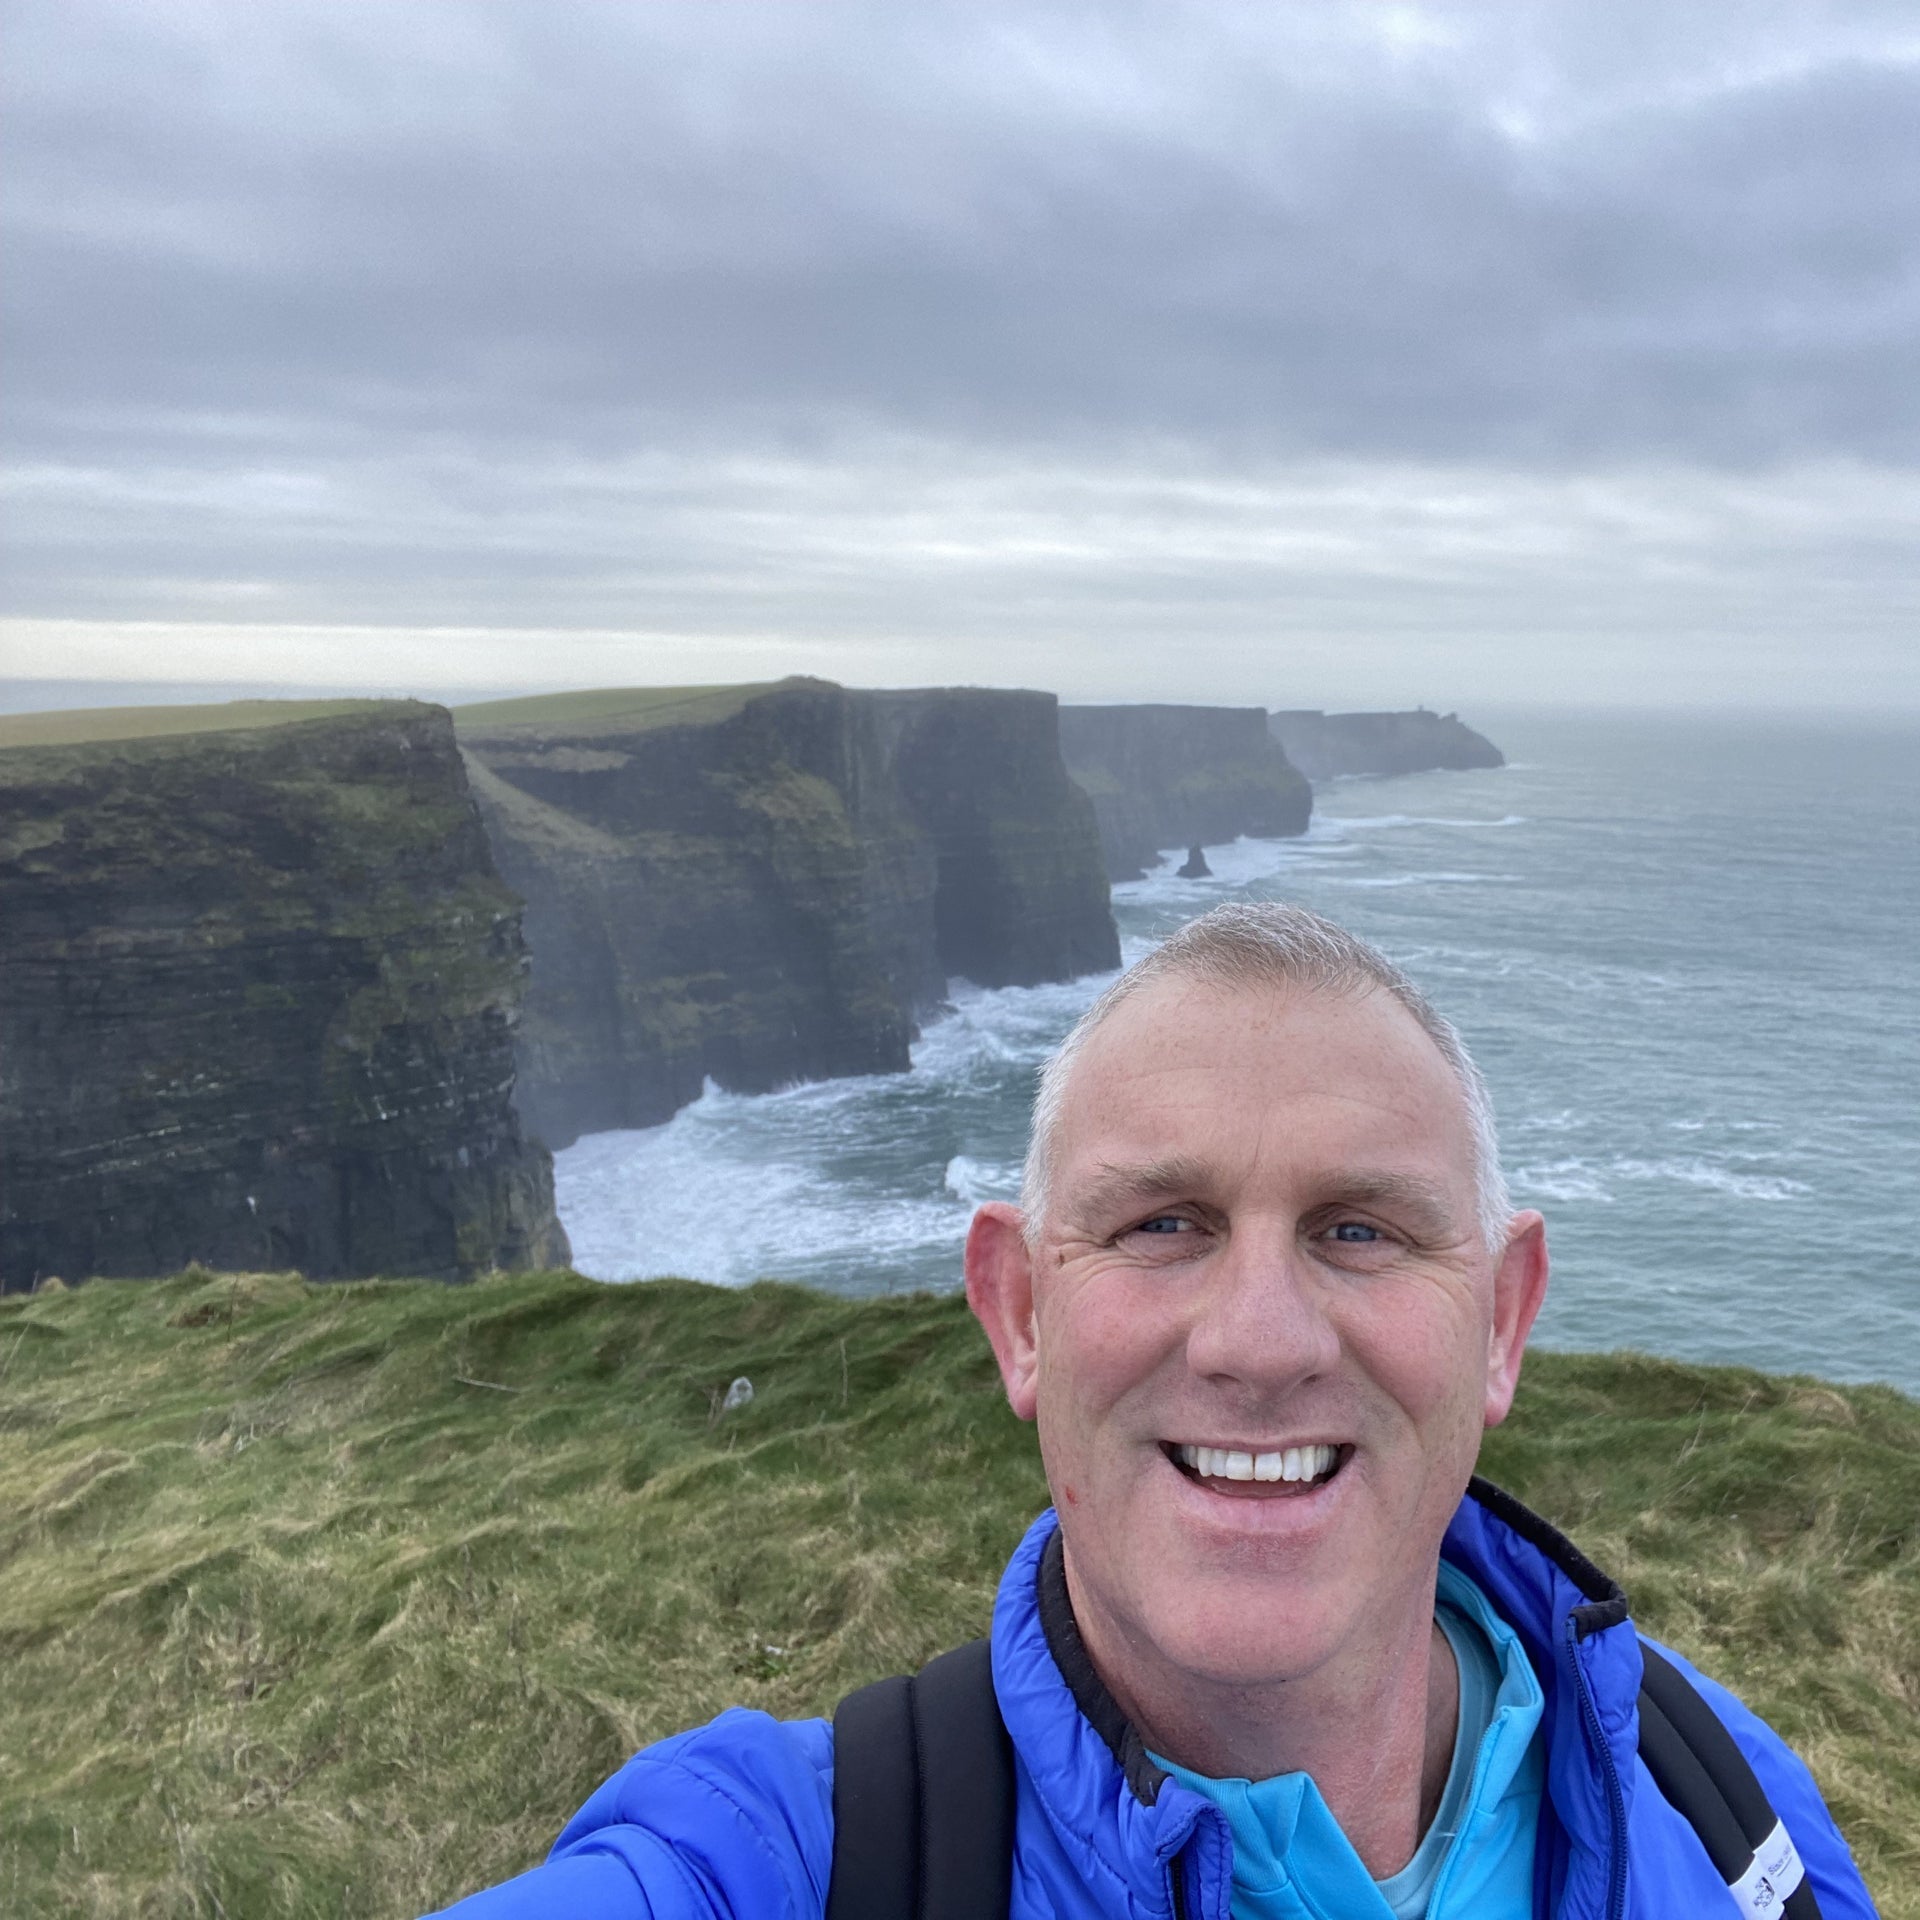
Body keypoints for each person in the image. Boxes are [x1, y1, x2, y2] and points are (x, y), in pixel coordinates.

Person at [428, 902, 1878, 1918]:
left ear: (1500, 1320)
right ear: (1018, 1315)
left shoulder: (1725, 1801)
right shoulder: (787, 1862)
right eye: (1163, 1225)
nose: (1258, 1344)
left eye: (1360, 1229)